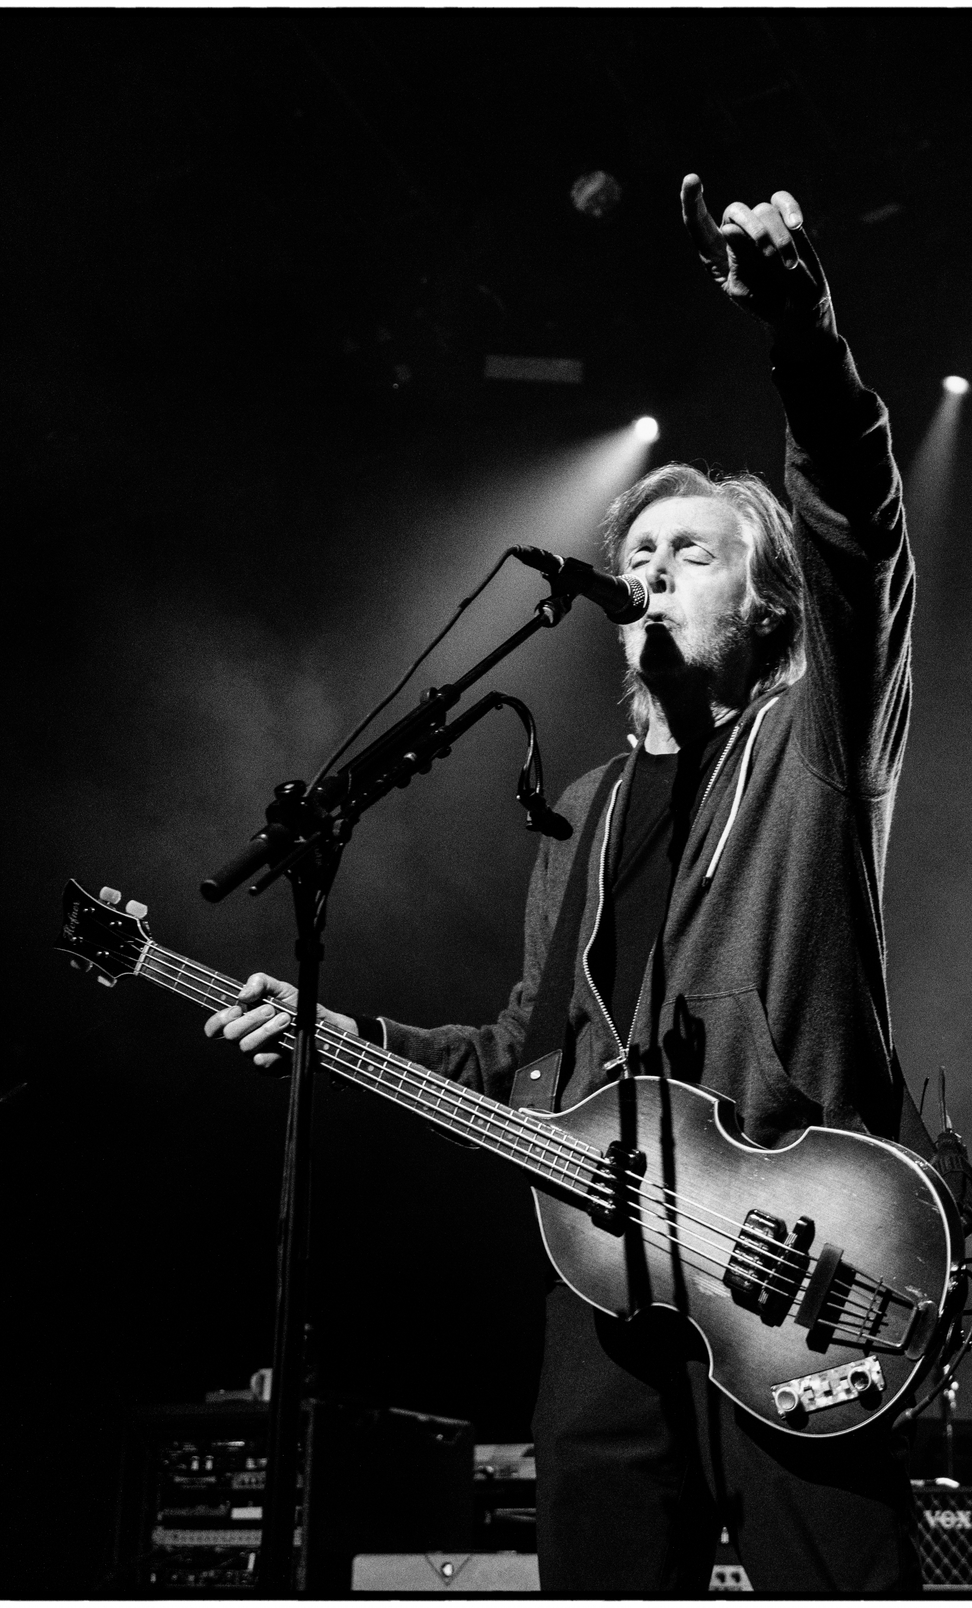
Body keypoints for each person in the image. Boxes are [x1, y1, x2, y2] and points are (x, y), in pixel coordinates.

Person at [207, 175, 932, 1594]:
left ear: (766, 605)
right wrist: (337, 1033)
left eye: (692, 554)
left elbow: (858, 530)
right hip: (604, 1294)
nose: (650, 569)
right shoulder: (582, 818)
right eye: (637, 553)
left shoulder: (813, 754)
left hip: (791, 1269)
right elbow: (525, 1063)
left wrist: (801, 324)